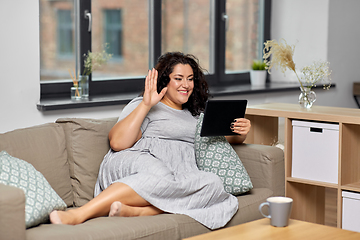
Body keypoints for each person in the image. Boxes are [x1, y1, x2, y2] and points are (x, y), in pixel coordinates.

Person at [50, 52, 251, 230]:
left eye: (190, 79)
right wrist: (147, 104)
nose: (186, 85)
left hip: (178, 175)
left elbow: (216, 141)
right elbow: (118, 143)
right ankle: (78, 214)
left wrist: (240, 133)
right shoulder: (143, 104)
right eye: (178, 78)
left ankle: (140, 211)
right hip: (139, 160)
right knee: (158, 173)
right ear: (165, 80)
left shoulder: (196, 114)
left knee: (213, 183)